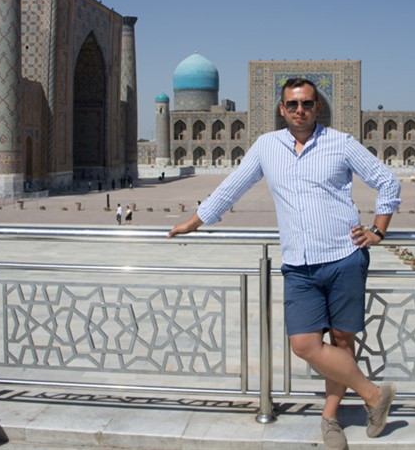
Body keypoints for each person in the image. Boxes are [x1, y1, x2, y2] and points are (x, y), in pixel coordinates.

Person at [169, 78, 400, 450]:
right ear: (281, 108)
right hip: (298, 263)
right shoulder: (267, 146)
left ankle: (330, 417)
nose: (299, 110)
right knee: (304, 344)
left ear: (318, 106)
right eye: (292, 104)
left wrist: (378, 230)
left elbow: (387, 181)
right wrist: (195, 221)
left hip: (344, 256)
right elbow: (232, 187)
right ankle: (374, 394)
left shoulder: (341, 143)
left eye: (306, 103)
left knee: (342, 341)